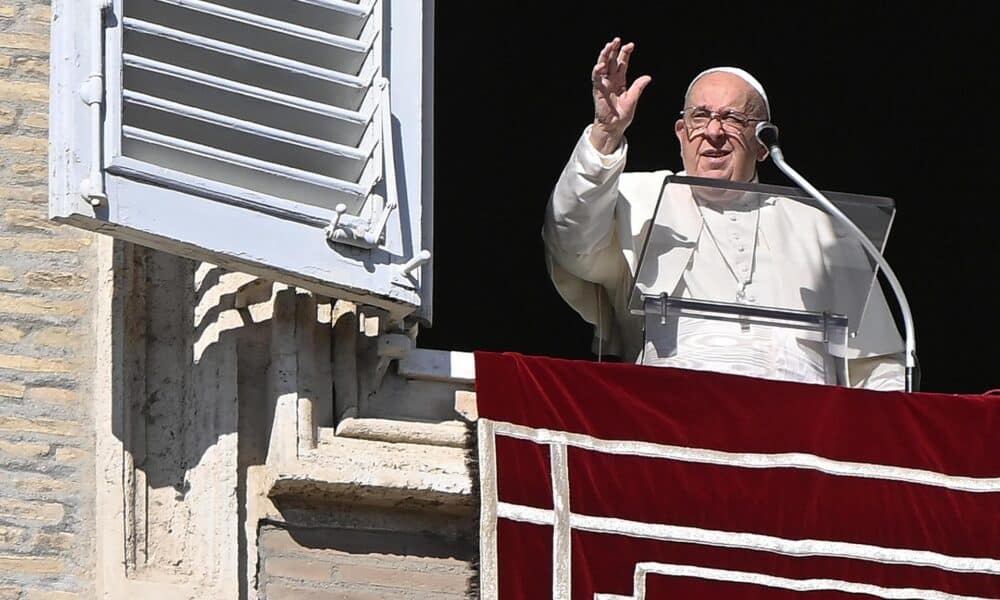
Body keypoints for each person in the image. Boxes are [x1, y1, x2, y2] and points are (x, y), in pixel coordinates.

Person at [543, 38, 904, 390]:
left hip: (803, 431)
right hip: (672, 416)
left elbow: (876, 364)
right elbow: (571, 243)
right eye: (700, 117)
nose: (713, 132)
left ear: (763, 145)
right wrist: (606, 134)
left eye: (732, 118)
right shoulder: (636, 200)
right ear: (681, 134)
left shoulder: (823, 228)